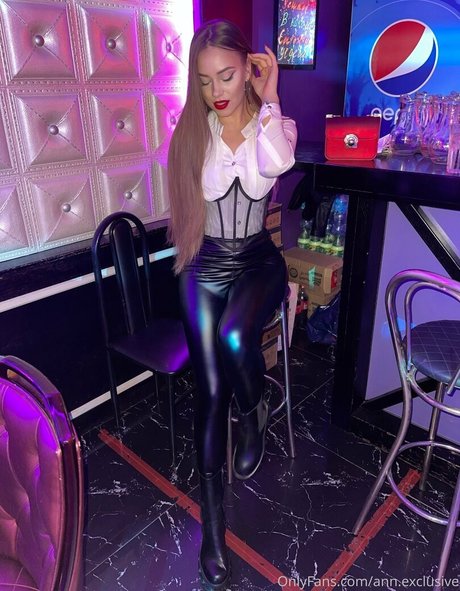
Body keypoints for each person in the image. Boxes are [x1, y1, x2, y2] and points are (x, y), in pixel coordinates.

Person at [167, 19, 297, 590]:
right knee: (208, 392)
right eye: (203, 81)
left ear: (249, 68)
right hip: (205, 265)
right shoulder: (193, 134)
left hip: (258, 262)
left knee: (237, 336)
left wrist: (271, 99)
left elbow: (277, 164)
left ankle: (255, 410)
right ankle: (213, 532)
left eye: (226, 75)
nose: (215, 90)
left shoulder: (276, 124)